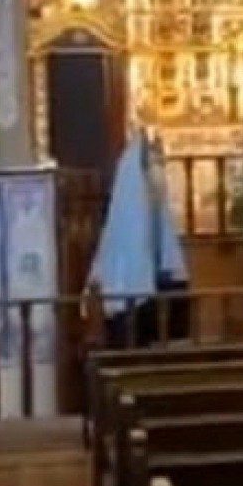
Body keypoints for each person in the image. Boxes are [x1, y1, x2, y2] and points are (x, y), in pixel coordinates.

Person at [88, 130, 190, 347]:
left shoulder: (159, 216)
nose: (160, 172)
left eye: (161, 163)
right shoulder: (127, 218)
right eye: (154, 163)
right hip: (131, 320)